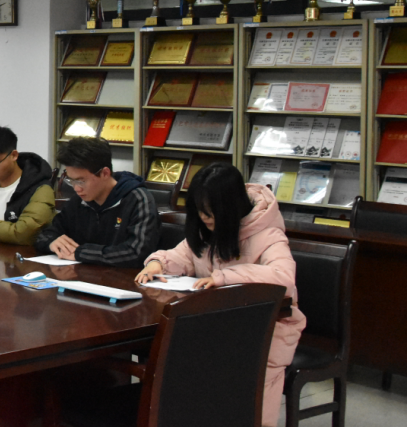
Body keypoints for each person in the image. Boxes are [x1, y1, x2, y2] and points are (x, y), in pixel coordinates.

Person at [135, 163, 306, 427]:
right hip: (214, 324)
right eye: (200, 210)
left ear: (231, 205)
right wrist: (157, 263)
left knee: (241, 400)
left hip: (263, 330)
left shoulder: (268, 235)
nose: (205, 217)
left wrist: (225, 277)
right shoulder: (208, 230)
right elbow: (183, 254)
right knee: (180, 367)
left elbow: (283, 278)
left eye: (211, 210)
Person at [33, 137, 159, 268]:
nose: (76, 188)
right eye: (71, 181)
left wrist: (82, 253)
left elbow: (137, 253)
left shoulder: (138, 200)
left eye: (81, 181)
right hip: (81, 274)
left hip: (125, 278)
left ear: (105, 173)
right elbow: (45, 234)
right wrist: (52, 242)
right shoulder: (78, 201)